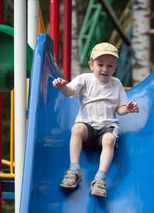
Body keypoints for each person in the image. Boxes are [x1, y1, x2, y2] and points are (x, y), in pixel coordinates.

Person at [52, 42, 139, 197]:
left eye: (110, 66)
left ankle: (100, 178)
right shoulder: (85, 79)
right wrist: (62, 87)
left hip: (107, 126)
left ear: (115, 67)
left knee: (109, 140)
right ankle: (74, 170)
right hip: (87, 125)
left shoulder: (116, 84)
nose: (105, 69)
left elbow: (119, 108)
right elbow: (70, 92)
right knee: (77, 129)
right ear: (91, 64)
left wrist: (127, 109)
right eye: (100, 64)